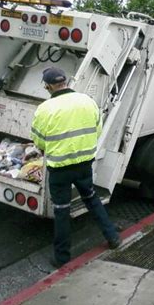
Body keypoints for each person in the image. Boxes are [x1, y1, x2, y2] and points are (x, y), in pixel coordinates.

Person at [31, 67, 121, 268]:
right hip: (83, 165)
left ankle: (62, 258)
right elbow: (96, 131)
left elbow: (38, 140)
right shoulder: (87, 101)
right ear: (66, 82)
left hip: (60, 169)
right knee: (91, 199)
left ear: (47, 86)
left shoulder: (45, 109)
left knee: (62, 211)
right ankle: (113, 237)